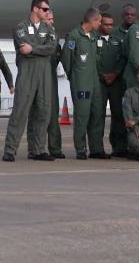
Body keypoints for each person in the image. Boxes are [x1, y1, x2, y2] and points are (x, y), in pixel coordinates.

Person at [3, 0, 58, 162]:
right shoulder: (21, 27)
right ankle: (10, 150)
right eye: (45, 9)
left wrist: (33, 48)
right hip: (27, 73)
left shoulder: (49, 29)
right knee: (20, 111)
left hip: (44, 73)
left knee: (43, 111)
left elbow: (51, 48)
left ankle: (38, 149)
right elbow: (23, 47)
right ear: (35, 9)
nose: (48, 12)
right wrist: (39, 48)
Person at [60, 8, 107, 160]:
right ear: (92, 20)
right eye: (99, 21)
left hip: (94, 83)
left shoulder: (93, 36)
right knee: (82, 116)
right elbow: (66, 59)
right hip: (81, 83)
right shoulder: (74, 36)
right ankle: (81, 149)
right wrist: (74, 77)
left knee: (97, 115)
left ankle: (97, 149)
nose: (100, 24)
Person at [30, 8, 65, 159]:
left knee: (52, 113)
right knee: (37, 115)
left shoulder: (54, 39)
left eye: (52, 20)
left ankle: (55, 148)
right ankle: (35, 149)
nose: (52, 23)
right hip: (36, 79)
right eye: (48, 20)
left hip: (50, 79)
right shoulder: (34, 38)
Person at [96, 12, 128, 157]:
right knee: (98, 115)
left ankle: (119, 147)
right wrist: (101, 75)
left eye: (111, 24)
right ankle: (97, 148)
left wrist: (115, 74)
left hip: (115, 82)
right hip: (99, 82)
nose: (109, 27)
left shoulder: (118, 40)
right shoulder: (93, 39)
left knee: (118, 115)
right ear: (100, 24)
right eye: (106, 24)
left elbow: (122, 59)